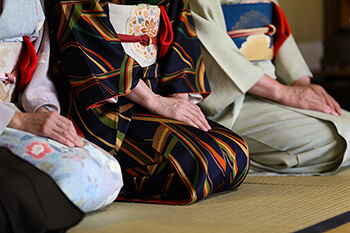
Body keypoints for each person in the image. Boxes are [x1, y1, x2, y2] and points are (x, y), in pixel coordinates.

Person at [46, 0, 250, 204]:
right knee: (196, 161)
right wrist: (153, 101)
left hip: (157, 88)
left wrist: (179, 98)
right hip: (104, 103)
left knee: (235, 150)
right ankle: (103, 172)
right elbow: (83, 32)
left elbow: (180, 30)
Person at [0, 0, 123, 232]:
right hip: (6, 117)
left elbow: (38, 60)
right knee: (28, 191)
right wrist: (16, 120)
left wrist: (42, 110)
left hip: (19, 107)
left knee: (105, 171)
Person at [188, 0, 350, 175]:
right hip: (233, 100)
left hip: (272, 85)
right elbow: (209, 44)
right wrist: (281, 92)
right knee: (334, 140)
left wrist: (301, 83)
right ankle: (228, 160)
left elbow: (276, 25)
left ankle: (238, 160)